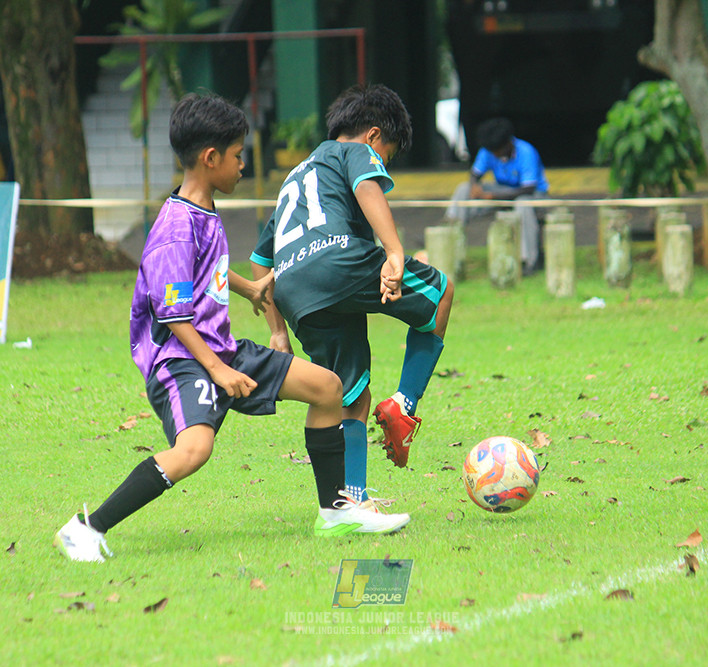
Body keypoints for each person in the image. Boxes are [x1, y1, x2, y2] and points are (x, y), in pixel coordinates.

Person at [55, 94, 408, 563]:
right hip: (183, 360)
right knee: (194, 450)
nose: (243, 165)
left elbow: (208, 270)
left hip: (221, 349)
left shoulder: (202, 211)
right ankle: (87, 528)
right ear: (211, 158)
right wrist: (218, 372)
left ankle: (335, 510)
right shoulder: (176, 226)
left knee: (327, 388)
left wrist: (249, 288)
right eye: (239, 156)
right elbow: (173, 314)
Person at [250, 84, 455, 509]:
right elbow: (366, 186)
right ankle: (404, 406)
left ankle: (352, 499)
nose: (381, 164)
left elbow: (258, 260)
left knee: (347, 391)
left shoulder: (296, 177)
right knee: (440, 294)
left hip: (292, 290)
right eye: (386, 155)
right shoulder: (353, 151)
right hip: (338, 261)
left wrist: (278, 333)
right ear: (373, 136)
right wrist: (395, 252)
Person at [445, 117, 549, 274]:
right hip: (501, 192)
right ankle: (449, 238)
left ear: (508, 143)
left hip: (533, 195)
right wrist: (474, 186)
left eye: (497, 151)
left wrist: (493, 196)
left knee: (523, 205)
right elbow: (475, 174)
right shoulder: (488, 150)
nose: (494, 154)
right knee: (463, 189)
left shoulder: (526, 151)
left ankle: (527, 261)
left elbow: (528, 189)